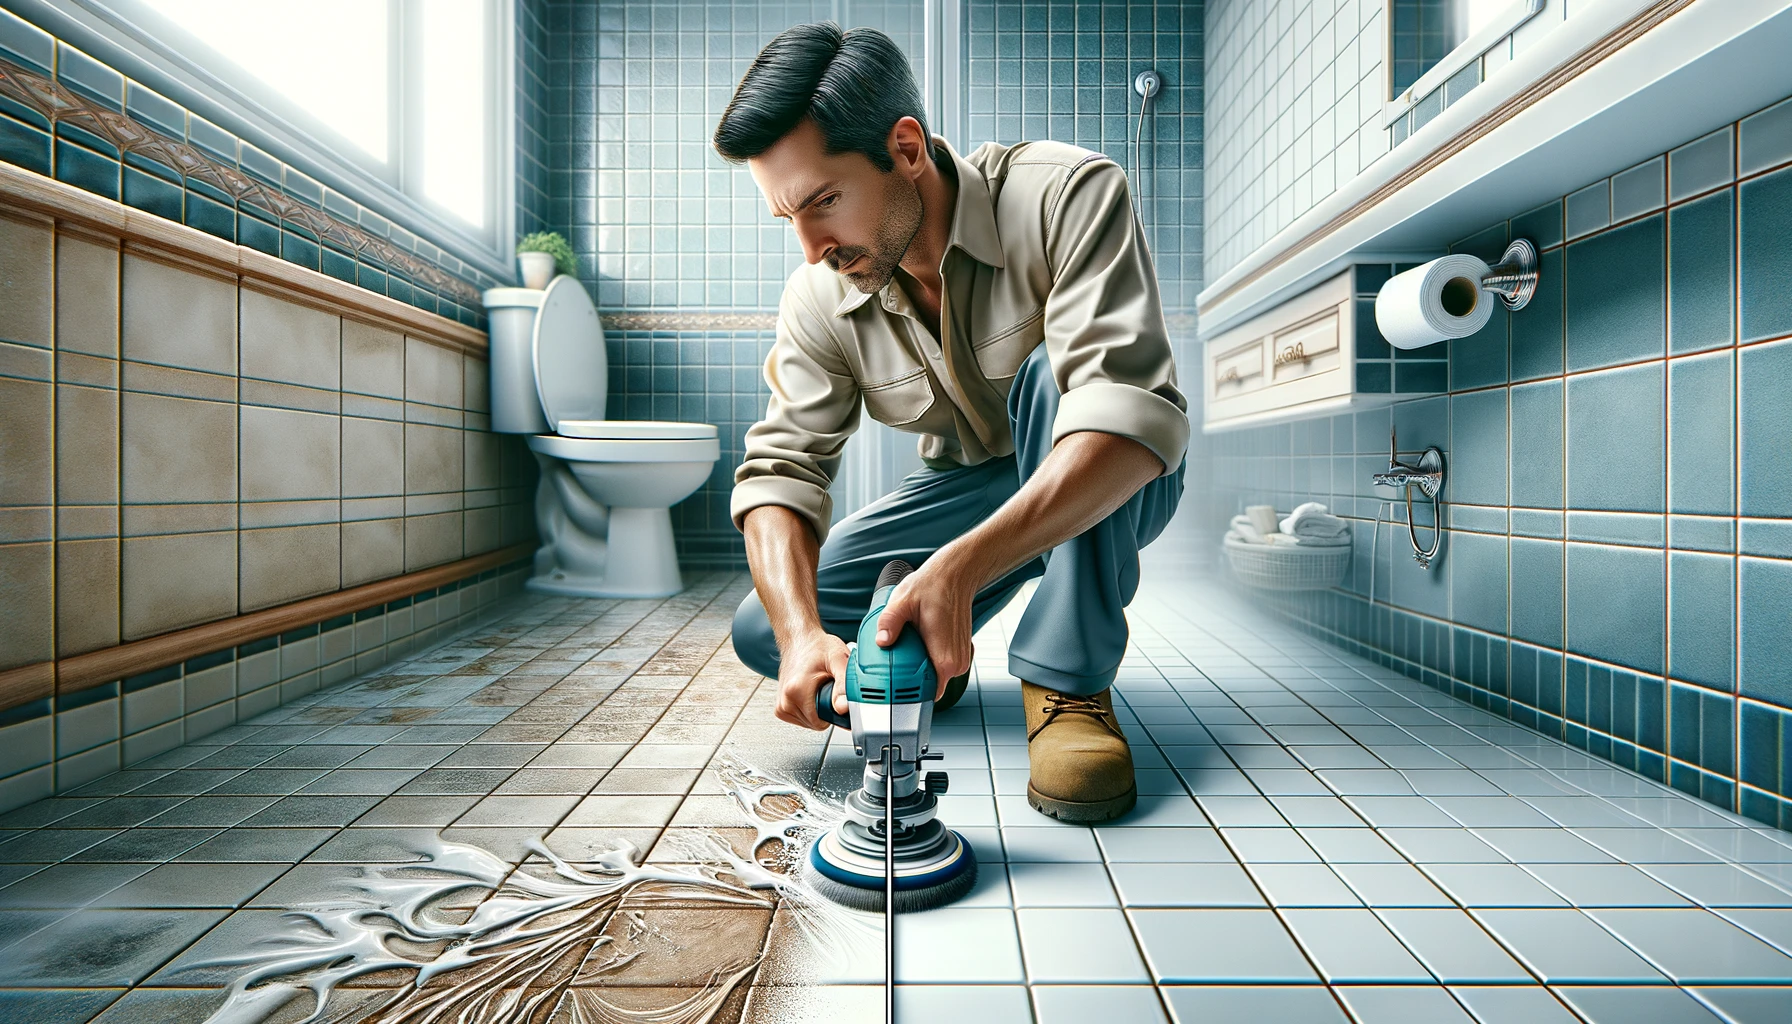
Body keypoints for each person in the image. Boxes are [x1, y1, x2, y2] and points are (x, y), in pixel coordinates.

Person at [716, 22, 1186, 823]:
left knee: (1051, 380)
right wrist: (802, 635)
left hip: (1112, 474)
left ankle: (1069, 686)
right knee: (763, 625)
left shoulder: (1067, 194)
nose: (811, 248)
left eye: (824, 202)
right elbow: (779, 473)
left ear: (905, 149)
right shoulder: (820, 295)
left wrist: (960, 571)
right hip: (969, 489)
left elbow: (1123, 417)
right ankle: (935, 648)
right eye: (787, 217)